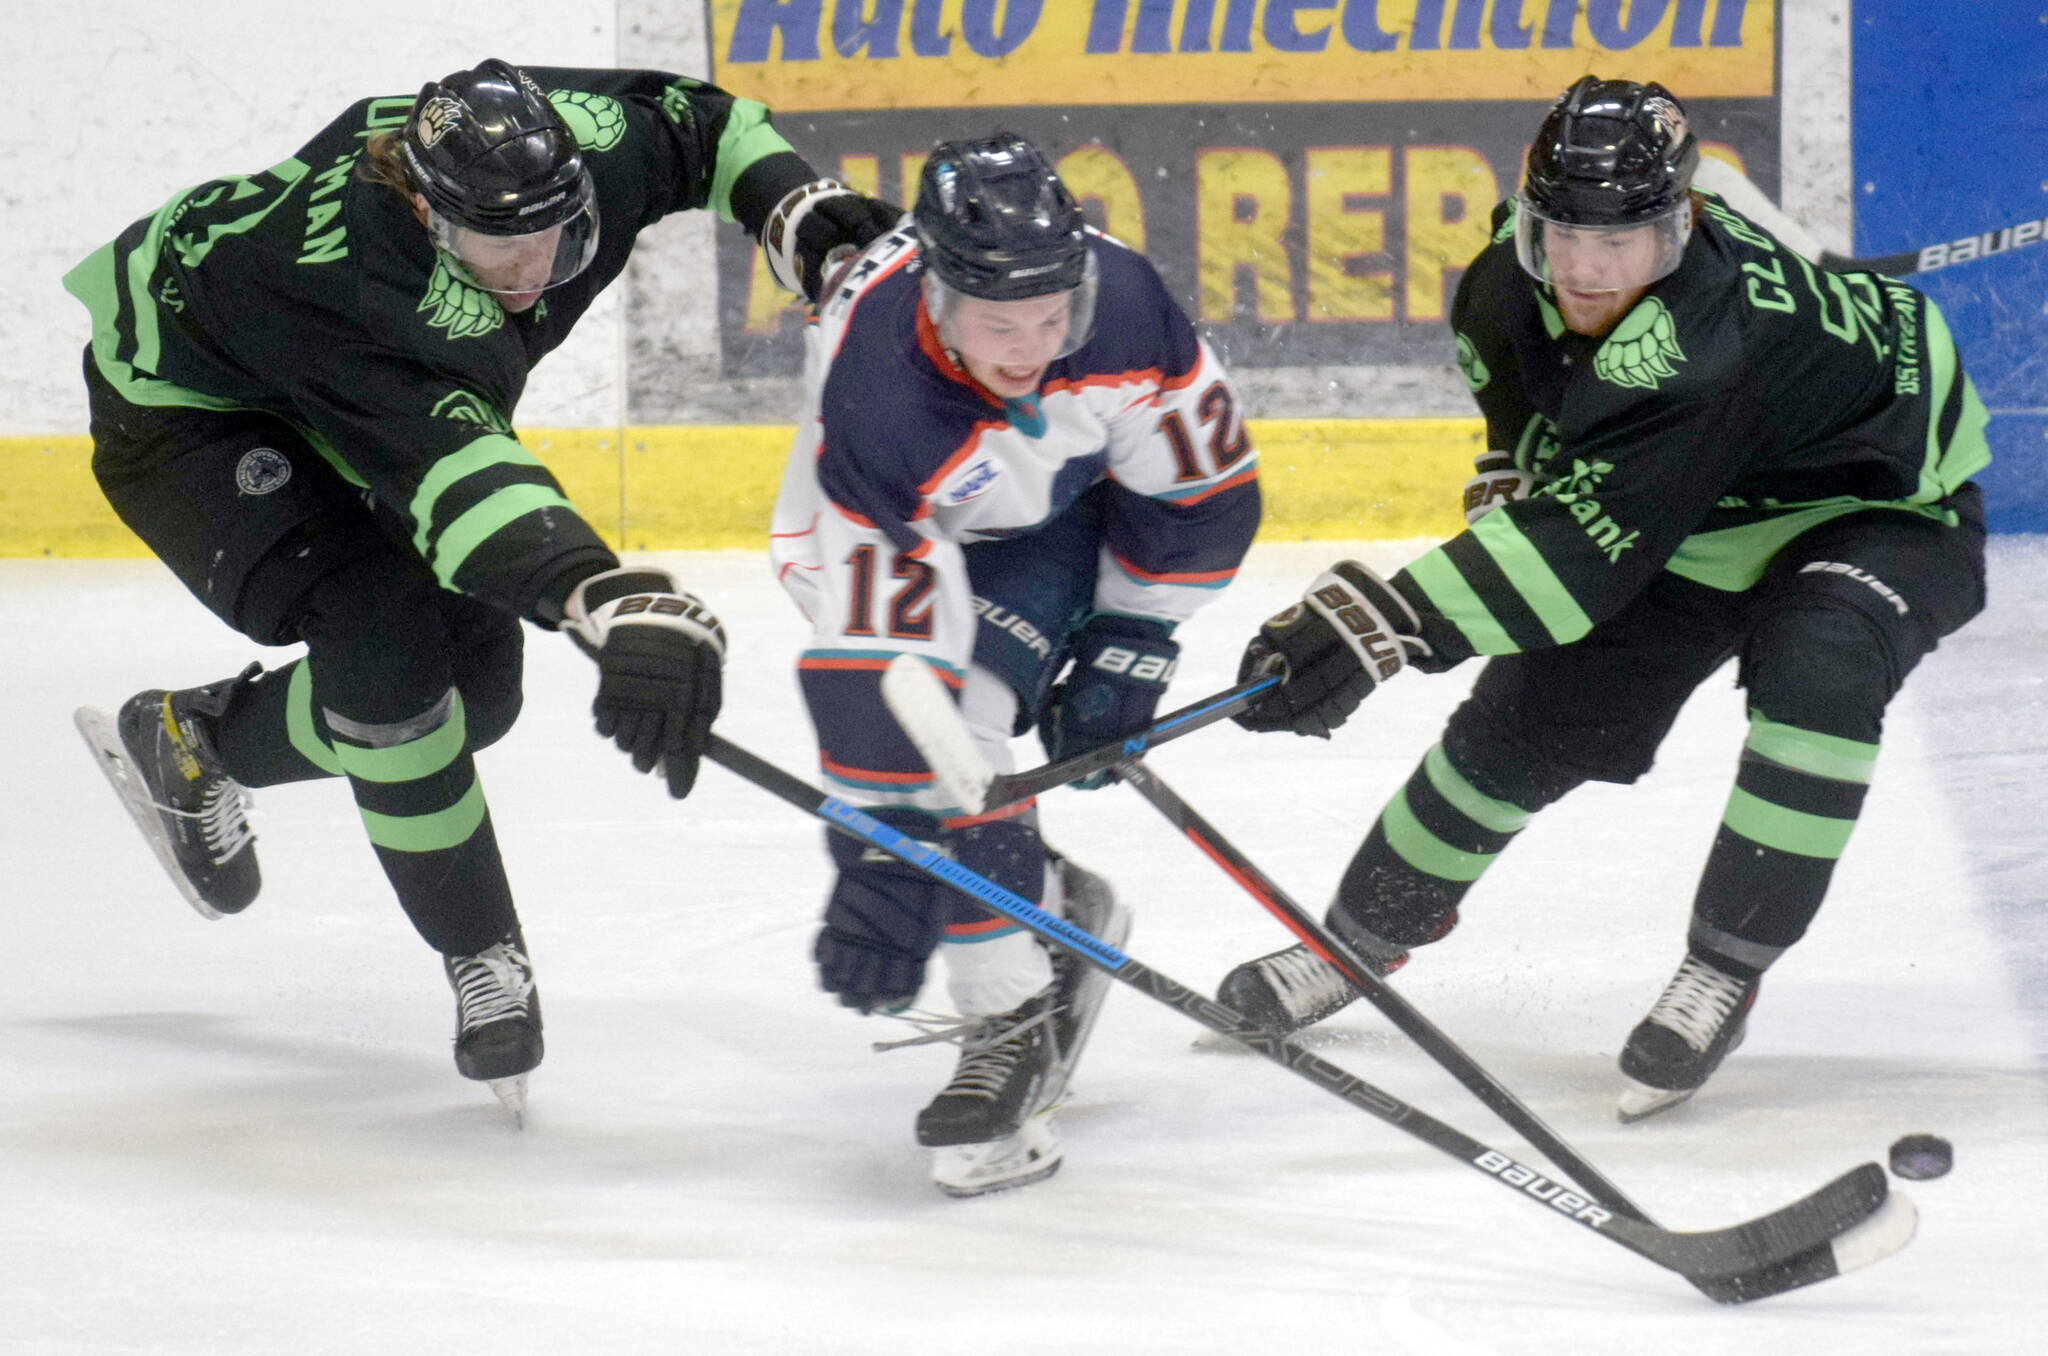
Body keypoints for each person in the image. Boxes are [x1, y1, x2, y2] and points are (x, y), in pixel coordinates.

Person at [67, 59, 898, 1118]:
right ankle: (481, 954)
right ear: (422, 204)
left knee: (479, 703)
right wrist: (610, 597)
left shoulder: (575, 158)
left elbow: (705, 126)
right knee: (384, 654)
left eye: (549, 236)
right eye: (497, 248)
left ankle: (198, 741)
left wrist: (791, 202)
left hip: (340, 391)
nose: (531, 271)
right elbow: (462, 481)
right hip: (189, 410)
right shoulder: (364, 292)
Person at [1217, 77, 1989, 1122]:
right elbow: (1527, 427)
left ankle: (1725, 964)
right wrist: (1506, 473)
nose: (1581, 267)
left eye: (1617, 241)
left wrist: (1382, 624)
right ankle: (1352, 942)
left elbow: (1579, 552)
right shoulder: (1502, 278)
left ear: (1681, 225)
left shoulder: (1702, 344)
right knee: (1528, 721)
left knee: (1820, 672)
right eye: (1561, 231)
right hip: (1696, 507)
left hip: (1878, 507)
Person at [769, 133, 1261, 1192]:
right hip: (901, 520)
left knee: (963, 750)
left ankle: (1031, 941)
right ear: (939, 299)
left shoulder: (1122, 303)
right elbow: (879, 665)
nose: (1032, 348)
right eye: (1000, 324)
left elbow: (1199, 497)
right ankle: (1016, 1001)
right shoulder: (877, 390)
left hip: (1058, 515)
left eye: (1051, 319)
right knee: (944, 745)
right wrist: (885, 857)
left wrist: (1131, 642)